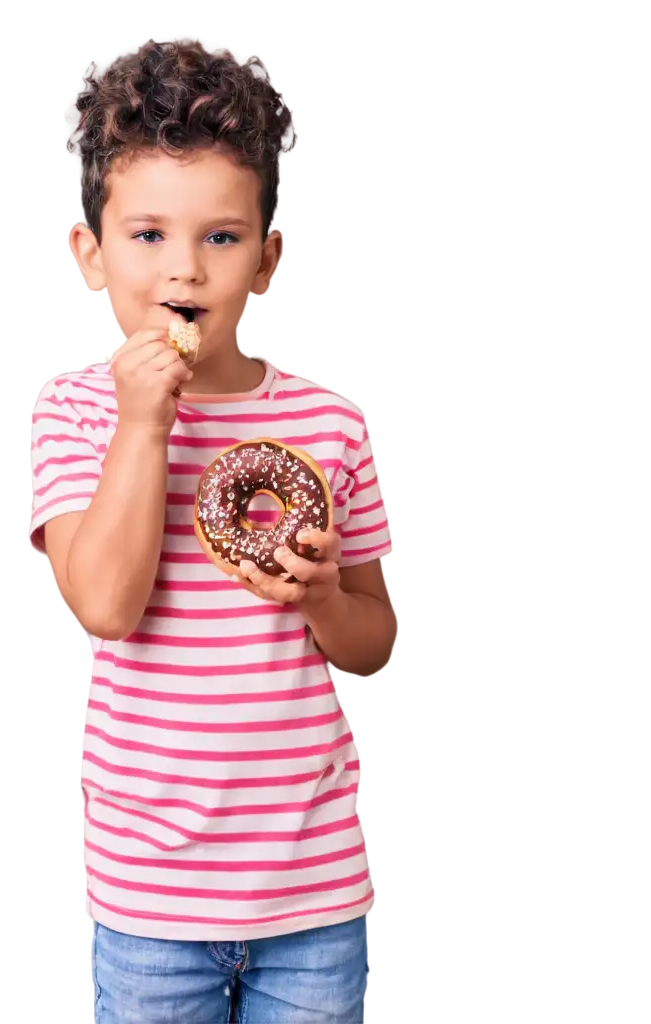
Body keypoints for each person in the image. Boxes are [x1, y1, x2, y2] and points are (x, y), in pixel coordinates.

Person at [26, 37, 396, 1024]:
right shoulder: (73, 414)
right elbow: (105, 602)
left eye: (220, 238)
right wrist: (146, 421)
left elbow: (375, 637)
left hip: (312, 889)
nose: (182, 270)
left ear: (266, 257)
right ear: (88, 254)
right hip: (150, 895)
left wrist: (320, 597)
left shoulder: (329, 425)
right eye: (147, 235)